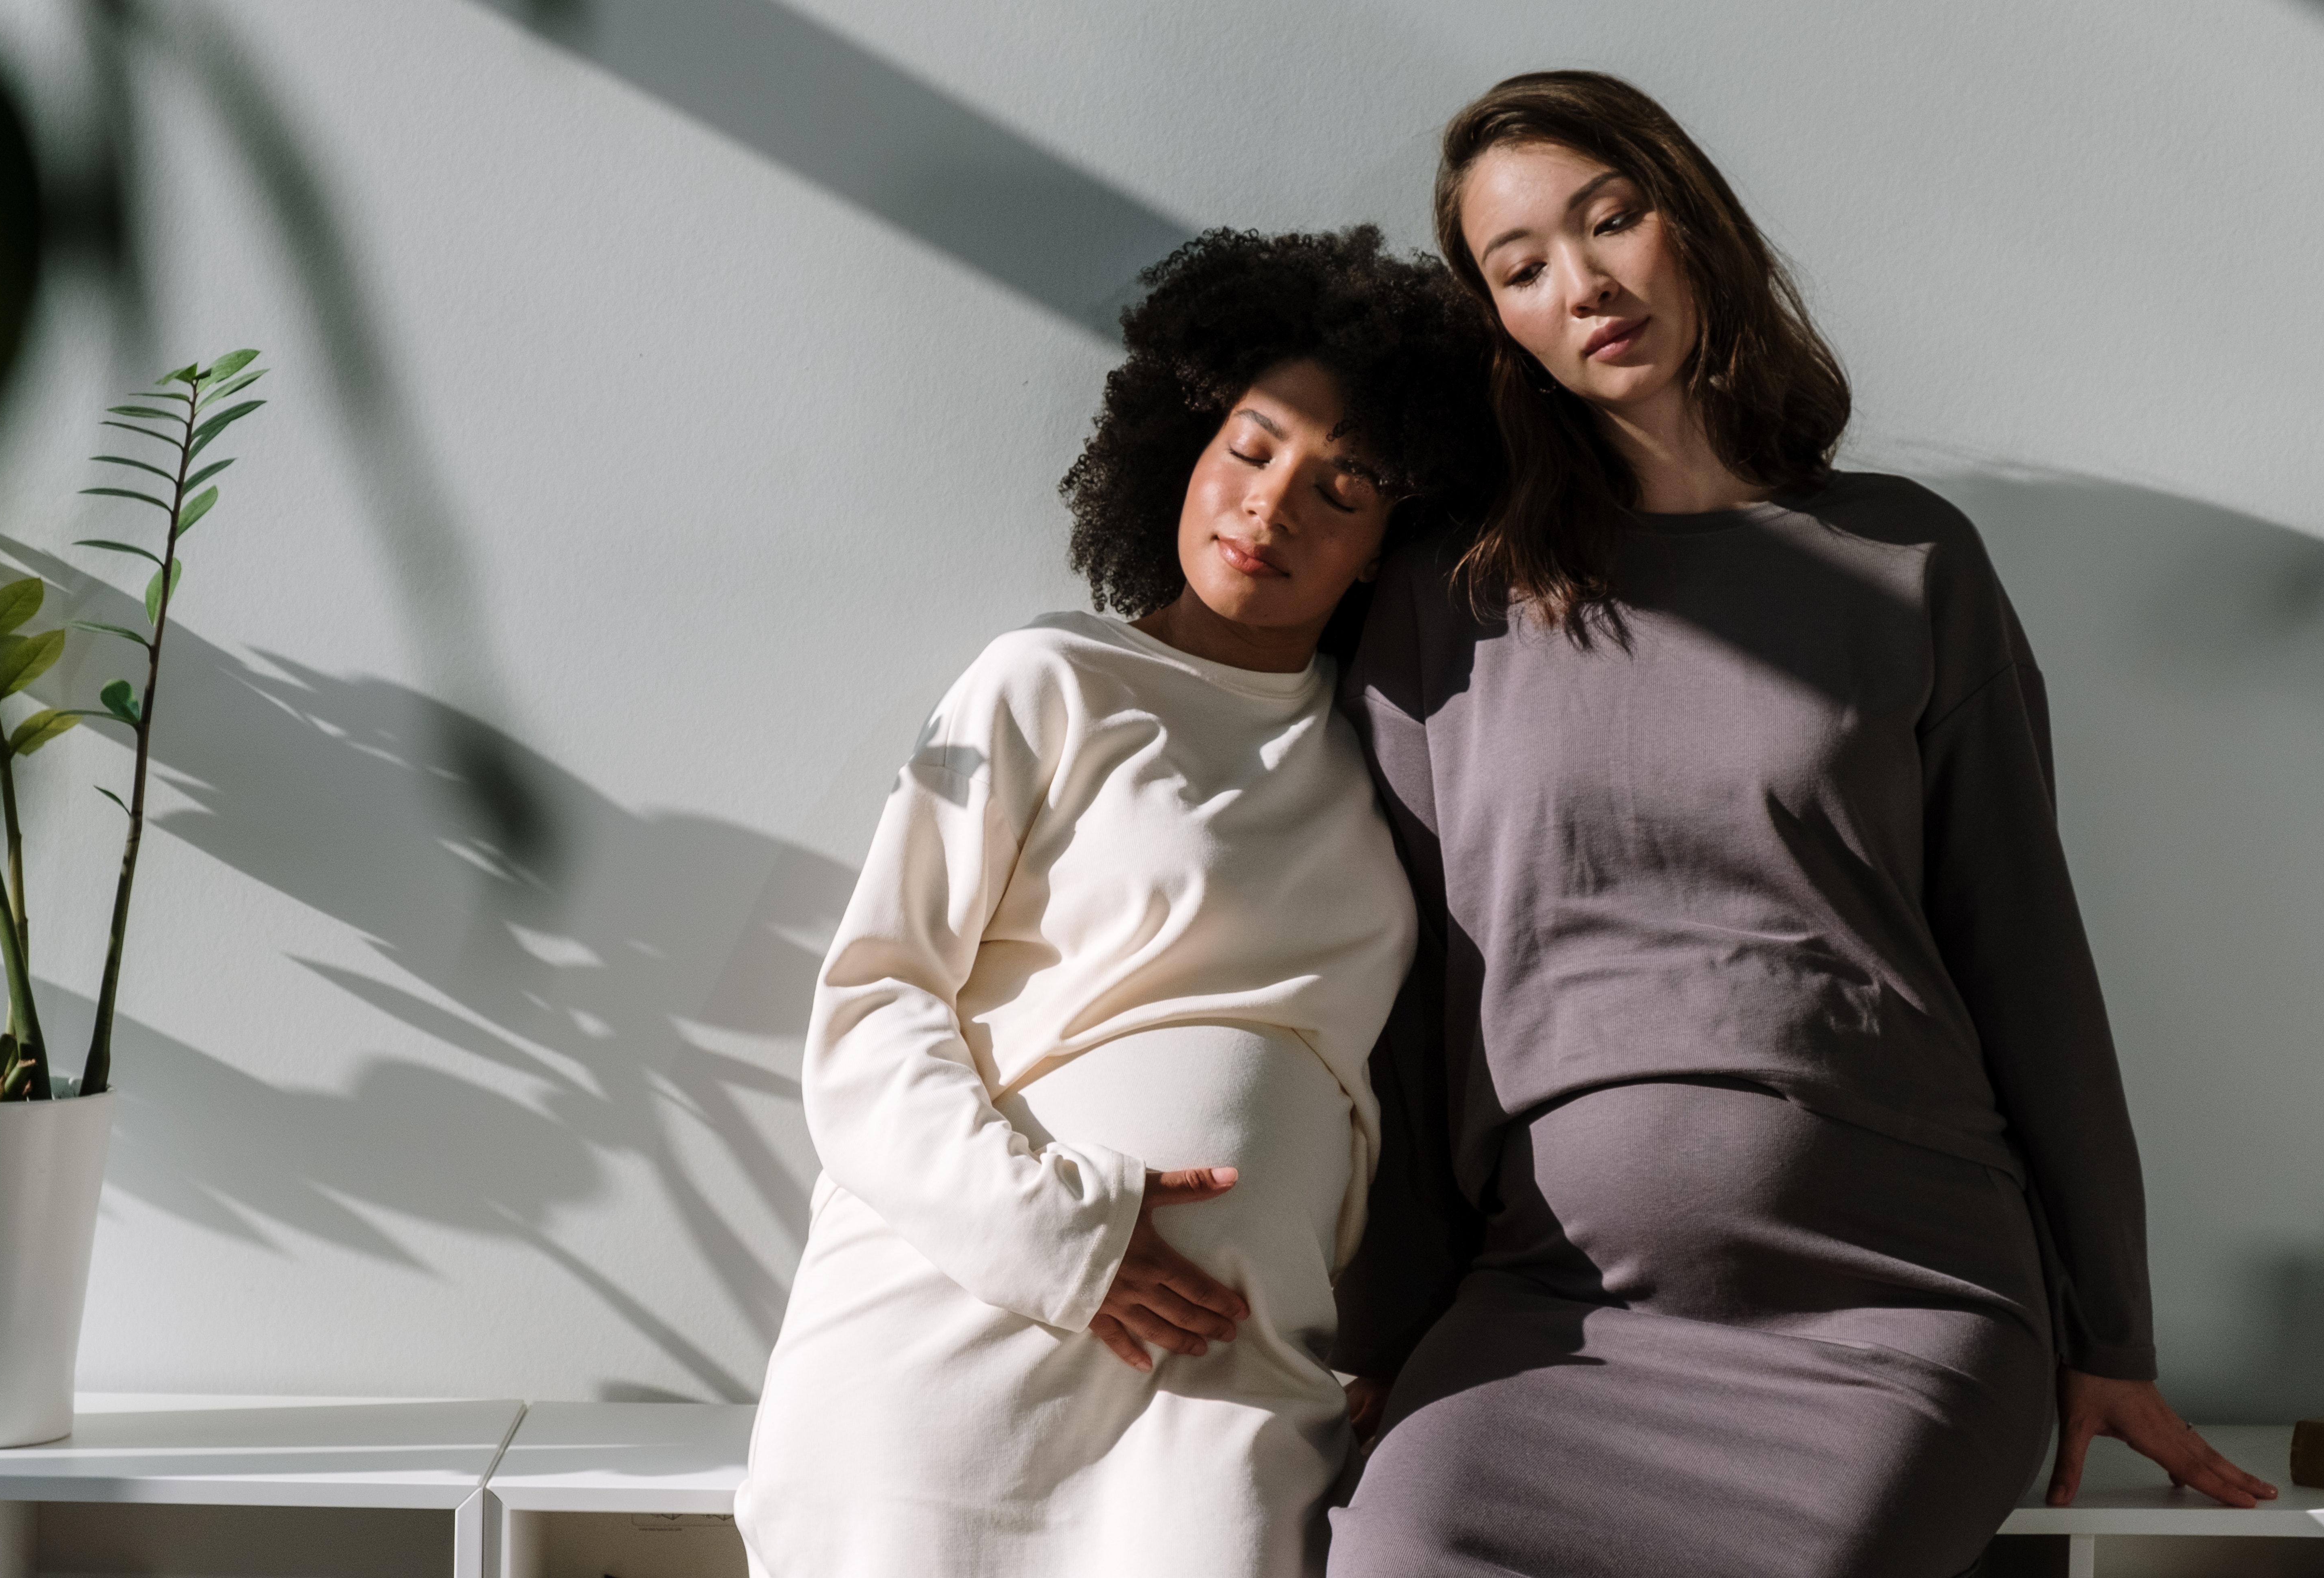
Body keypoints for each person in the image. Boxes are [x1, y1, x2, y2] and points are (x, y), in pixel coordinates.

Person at [1325, 71, 2277, 1578]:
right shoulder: (1450, 601)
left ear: (1688, 222)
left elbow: (2023, 954)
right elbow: (1405, 1002)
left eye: (1608, 220)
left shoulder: (1903, 561)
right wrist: (1385, 1332)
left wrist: (2111, 1333)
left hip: (1898, 1307)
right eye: (1521, 267)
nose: (1582, 283)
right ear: (1498, 325)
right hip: (1551, 1316)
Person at [737, 227, 1497, 1578]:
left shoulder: (1392, 753)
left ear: (1390, 541)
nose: (1269, 508)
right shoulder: (1048, 679)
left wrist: (1407, 1327)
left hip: (1228, 1375)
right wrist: (1063, 1237)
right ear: (1186, 448)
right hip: (963, 1330)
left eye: (1341, 488)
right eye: (1251, 449)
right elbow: (872, 1005)